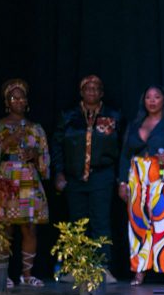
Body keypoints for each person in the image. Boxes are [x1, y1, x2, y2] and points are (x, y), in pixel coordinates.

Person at [118, 86, 164, 285]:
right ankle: (139, 270)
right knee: (138, 224)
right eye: (148, 97)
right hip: (138, 178)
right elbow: (125, 154)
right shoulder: (136, 123)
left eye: (156, 97)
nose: (152, 101)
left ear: (163, 100)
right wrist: (122, 182)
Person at [52, 74, 122, 278]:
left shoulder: (113, 115)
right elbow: (57, 144)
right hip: (74, 177)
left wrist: (120, 178)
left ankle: (102, 268)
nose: (92, 91)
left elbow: (121, 147)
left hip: (102, 175)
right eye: (88, 88)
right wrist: (59, 172)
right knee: (77, 222)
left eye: (96, 88)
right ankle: (76, 267)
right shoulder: (69, 115)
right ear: (81, 92)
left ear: (102, 93)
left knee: (100, 221)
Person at [0, 78, 50, 287]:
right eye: (14, 97)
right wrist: (6, 143)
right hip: (6, 179)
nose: (19, 101)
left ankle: (27, 275)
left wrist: (36, 155)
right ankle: (3, 275)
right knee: (5, 227)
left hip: (28, 180)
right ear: (7, 101)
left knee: (29, 228)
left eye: (22, 98)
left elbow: (46, 162)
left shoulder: (36, 128)